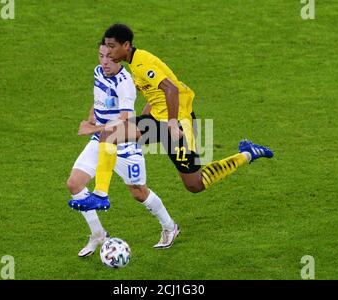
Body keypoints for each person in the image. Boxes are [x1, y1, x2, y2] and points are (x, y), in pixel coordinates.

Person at [69, 24, 274, 212]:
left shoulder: (141, 63)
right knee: (110, 134)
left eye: (112, 47)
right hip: (160, 120)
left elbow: (171, 89)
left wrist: (174, 125)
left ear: (126, 45)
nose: (109, 52)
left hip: (176, 122)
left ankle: (247, 154)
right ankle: (101, 195)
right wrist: (145, 117)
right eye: (106, 47)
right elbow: (156, 93)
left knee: (195, 184)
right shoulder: (134, 64)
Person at [67, 40, 180, 256]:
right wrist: (92, 117)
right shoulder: (98, 72)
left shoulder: (125, 83)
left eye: (110, 57)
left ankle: (169, 227)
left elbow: (125, 121)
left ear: (118, 56)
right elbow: (98, 98)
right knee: (74, 184)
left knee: (139, 193)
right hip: (101, 141)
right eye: (101, 55)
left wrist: (94, 128)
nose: (105, 61)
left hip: (124, 143)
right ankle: (99, 234)